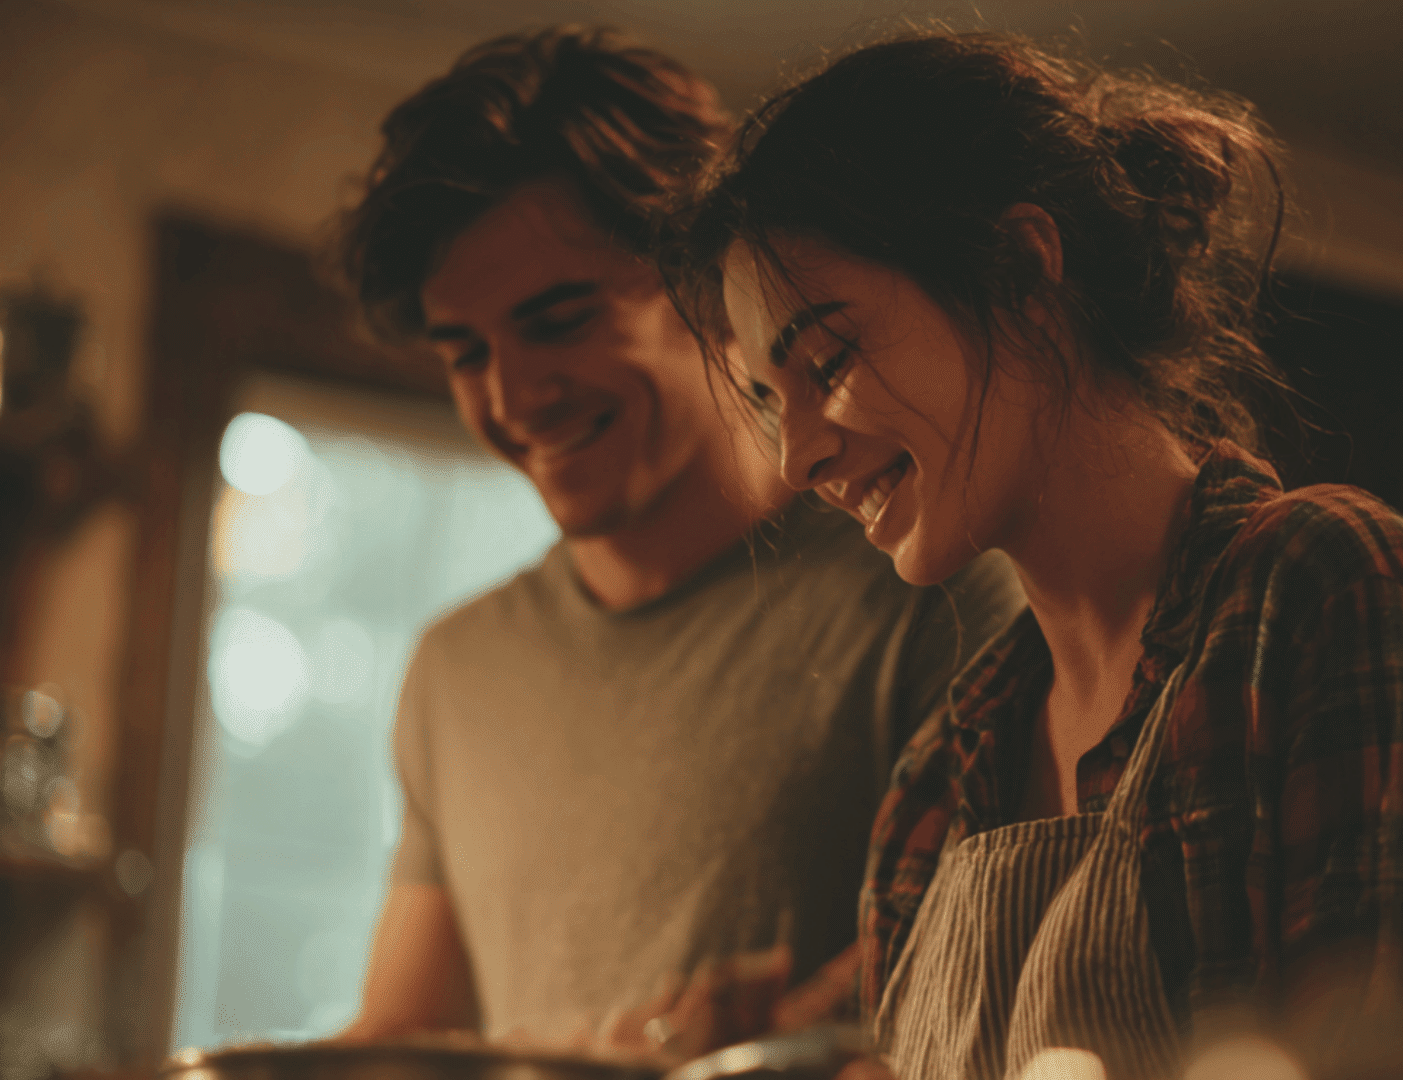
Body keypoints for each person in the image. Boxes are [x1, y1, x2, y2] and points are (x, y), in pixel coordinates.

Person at [668, 30, 1403, 1080]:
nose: (799, 450)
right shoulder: (936, 783)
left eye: (829, 359)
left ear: (1023, 270)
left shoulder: (1321, 592)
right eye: (770, 402)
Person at [331, 27, 1028, 1050]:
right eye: (466, 353)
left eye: (561, 319)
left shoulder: (935, 587)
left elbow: (1003, 974)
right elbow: (400, 1044)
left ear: (704, 296)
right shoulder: (454, 672)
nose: (514, 396)